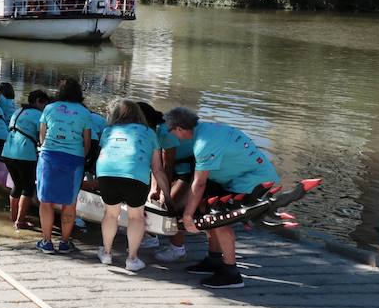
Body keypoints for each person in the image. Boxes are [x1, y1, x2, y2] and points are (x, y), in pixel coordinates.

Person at [163, 107, 280, 290]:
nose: (174, 137)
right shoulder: (206, 128)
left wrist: (187, 215)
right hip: (240, 178)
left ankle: (231, 272)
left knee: (219, 219)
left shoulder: (203, 144)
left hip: (253, 183)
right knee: (208, 212)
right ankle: (214, 260)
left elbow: (199, 183)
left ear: (179, 128)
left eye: (172, 132)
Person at [95, 99, 170, 273]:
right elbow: (158, 169)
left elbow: (104, 153)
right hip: (135, 174)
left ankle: (106, 253)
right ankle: (132, 259)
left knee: (110, 214)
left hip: (107, 172)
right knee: (136, 217)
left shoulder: (108, 131)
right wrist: (168, 196)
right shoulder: (150, 132)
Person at [35, 76, 91, 254]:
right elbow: (87, 142)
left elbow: (42, 137)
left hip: (49, 157)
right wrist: (80, 156)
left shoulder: (49, 109)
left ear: (59, 92)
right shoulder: (84, 112)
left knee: (46, 201)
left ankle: (47, 241)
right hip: (74, 160)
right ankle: (65, 242)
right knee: (70, 203)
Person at [151, 105, 199, 263]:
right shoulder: (151, 132)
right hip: (174, 168)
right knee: (153, 200)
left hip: (187, 170)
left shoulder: (165, 132)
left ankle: (178, 249)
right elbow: (155, 166)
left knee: (174, 208)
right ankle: (151, 235)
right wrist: (154, 189)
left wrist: (165, 192)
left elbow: (167, 166)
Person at [1, 89, 48, 231]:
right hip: (24, 153)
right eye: (44, 104)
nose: (45, 108)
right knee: (28, 188)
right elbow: (43, 138)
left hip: (7, 151)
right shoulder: (39, 115)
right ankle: (20, 222)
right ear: (39, 101)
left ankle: (14, 217)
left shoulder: (18, 111)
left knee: (17, 185)